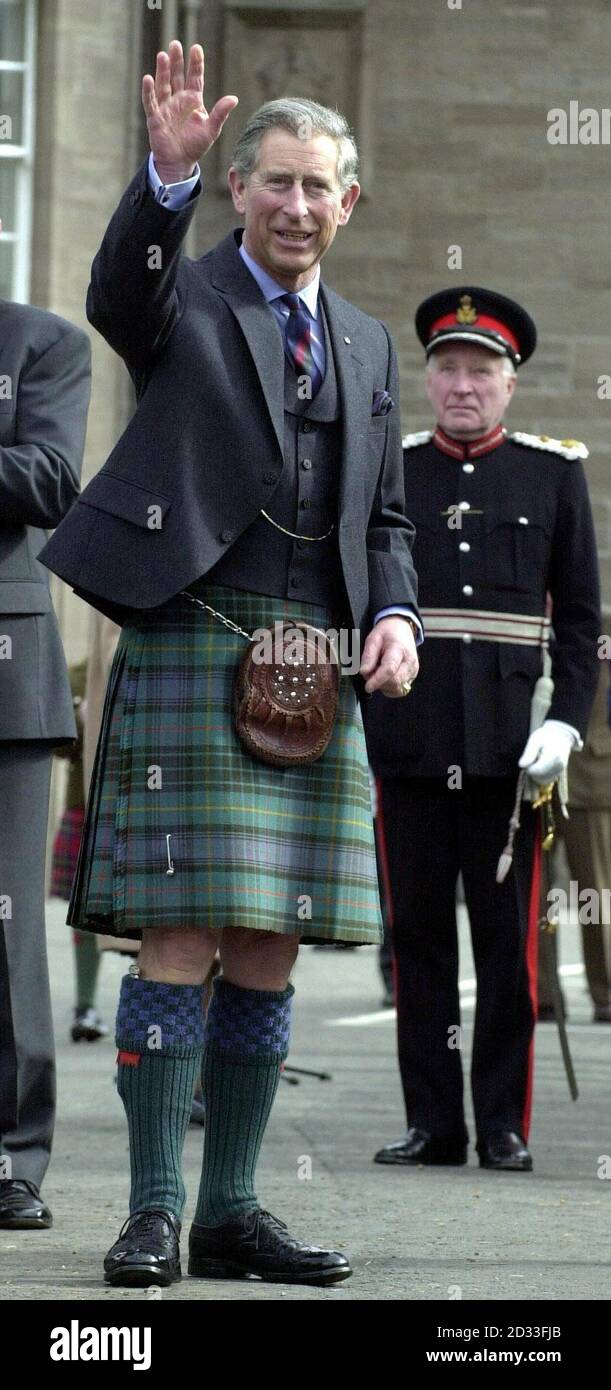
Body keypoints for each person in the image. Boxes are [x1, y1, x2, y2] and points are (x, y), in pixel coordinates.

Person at [41, 41, 420, 1287]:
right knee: (181, 931)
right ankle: (151, 1210)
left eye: (318, 187)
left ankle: (230, 1211)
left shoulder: (365, 346)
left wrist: (401, 616)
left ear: (346, 201)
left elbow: (388, 520)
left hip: (320, 666)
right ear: (239, 189)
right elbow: (116, 297)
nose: (296, 206)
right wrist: (161, 179)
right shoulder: (186, 298)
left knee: (272, 938)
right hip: (194, 636)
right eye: (273, 183)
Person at [363, 286, 600, 1174]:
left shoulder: (550, 475)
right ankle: (434, 1123)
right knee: (417, 942)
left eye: (482, 371)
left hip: (511, 753)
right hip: (409, 743)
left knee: (506, 948)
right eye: (448, 368)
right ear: (428, 379)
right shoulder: (393, 469)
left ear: (509, 385)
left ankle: (501, 1123)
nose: (463, 385)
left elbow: (579, 621)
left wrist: (568, 725)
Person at [0, 287, 91, 1229]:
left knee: (8, 925)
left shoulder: (43, 343)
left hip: (5, 678)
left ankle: (12, 1154)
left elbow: (50, 479)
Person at [50, 657, 109, 1041]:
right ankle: (85, 1005)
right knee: (85, 911)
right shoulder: (78, 674)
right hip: (86, 805)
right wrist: (81, 718)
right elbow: (57, 744)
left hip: (141, 806)